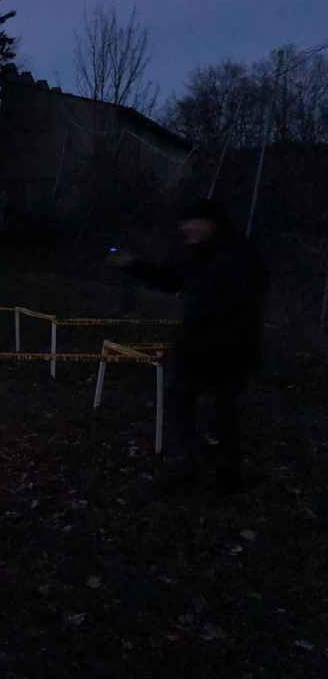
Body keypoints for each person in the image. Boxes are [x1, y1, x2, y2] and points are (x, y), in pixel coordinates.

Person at [107, 199, 267, 495]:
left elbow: (241, 300)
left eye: (192, 221)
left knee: (223, 411)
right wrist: (134, 265)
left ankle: (227, 476)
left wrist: (220, 329)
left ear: (211, 223)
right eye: (184, 222)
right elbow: (172, 279)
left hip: (230, 348)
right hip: (194, 345)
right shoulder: (196, 253)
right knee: (180, 402)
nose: (185, 228)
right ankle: (185, 468)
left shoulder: (239, 255)